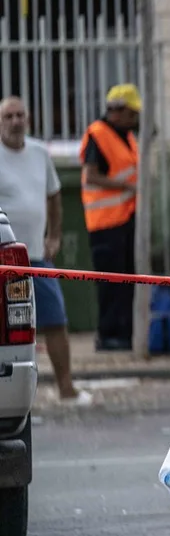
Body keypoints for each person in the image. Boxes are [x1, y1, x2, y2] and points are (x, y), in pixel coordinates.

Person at [0, 96, 91, 406]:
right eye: (8, 116)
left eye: (20, 115)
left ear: (28, 119)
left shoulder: (39, 153)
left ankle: (66, 389)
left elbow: (54, 195)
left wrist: (54, 236)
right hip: (4, 260)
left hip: (37, 256)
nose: (15, 121)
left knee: (55, 319)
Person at [79, 84, 141, 351]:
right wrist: (126, 186)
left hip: (125, 219)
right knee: (110, 283)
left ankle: (124, 333)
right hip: (105, 223)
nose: (135, 119)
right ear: (117, 111)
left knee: (126, 280)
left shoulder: (125, 136)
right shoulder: (98, 134)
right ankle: (108, 335)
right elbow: (91, 175)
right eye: (131, 114)